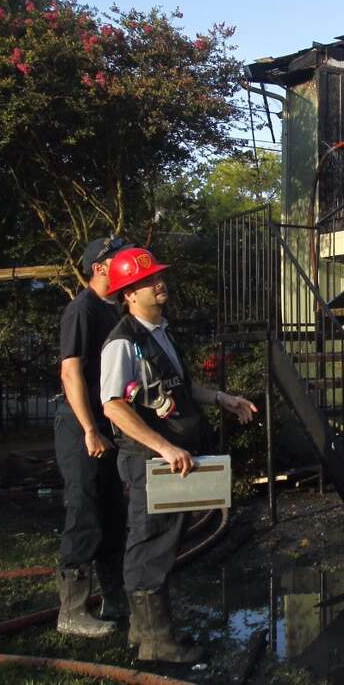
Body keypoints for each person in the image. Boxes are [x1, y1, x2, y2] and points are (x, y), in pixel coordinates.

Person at [98, 247, 257, 663]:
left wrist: (222, 397)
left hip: (170, 457)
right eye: (148, 280)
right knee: (150, 543)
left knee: (165, 540)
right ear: (128, 294)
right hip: (150, 460)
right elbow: (114, 406)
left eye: (158, 277)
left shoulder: (161, 333)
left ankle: (144, 629)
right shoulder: (123, 344)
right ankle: (157, 643)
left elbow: (179, 390)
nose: (159, 283)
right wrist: (164, 447)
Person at [55, 236, 129, 637]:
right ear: (101, 267)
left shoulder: (114, 309)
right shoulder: (81, 309)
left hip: (107, 425)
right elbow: (71, 372)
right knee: (84, 510)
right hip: (79, 426)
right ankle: (72, 612)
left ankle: (116, 599)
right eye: (119, 258)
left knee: (113, 513)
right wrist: (88, 429)